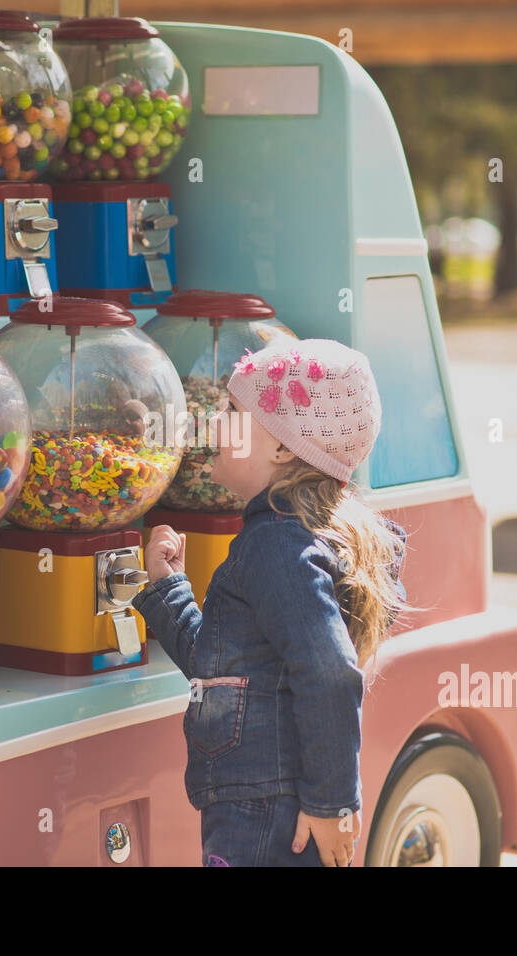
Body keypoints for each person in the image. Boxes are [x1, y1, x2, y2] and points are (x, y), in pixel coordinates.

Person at [132, 338, 408, 867]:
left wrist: (330, 805)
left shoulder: (278, 547)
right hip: (260, 808)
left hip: (269, 818)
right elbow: (223, 670)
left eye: (235, 414)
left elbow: (328, 673)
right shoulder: (287, 541)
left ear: (283, 448)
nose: (215, 425)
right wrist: (168, 589)